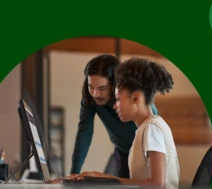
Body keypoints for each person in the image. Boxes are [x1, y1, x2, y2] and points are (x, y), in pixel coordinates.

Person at [72, 57, 180, 189]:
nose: (115, 106)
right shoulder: (146, 128)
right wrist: (77, 173)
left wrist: (110, 178)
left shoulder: (151, 129)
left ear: (135, 98)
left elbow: (157, 185)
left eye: (118, 99)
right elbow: (84, 130)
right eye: (91, 87)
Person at [50, 54, 159, 183]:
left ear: (115, 85)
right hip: (121, 151)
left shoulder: (136, 101)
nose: (96, 94)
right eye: (91, 87)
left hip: (143, 154)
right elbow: (84, 131)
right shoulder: (90, 98)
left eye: (102, 88)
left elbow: (157, 181)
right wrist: (74, 172)